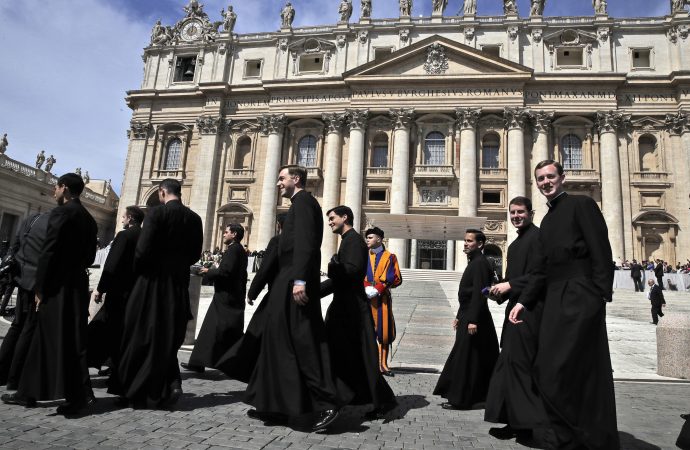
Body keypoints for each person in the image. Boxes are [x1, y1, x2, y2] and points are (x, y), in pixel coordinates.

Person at [509, 160, 619, 449]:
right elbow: (541, 268)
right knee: (548, 368)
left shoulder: (581, 205)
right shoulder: (546, 221)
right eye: (540, 179)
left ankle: (584, 436)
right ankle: (565, 433)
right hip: (554, 297)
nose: (545, 182)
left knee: (571, 367)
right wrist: (523, 301)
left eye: (550, 176)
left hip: (580, 294)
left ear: (562, 177)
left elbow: (600, 249)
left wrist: (600, 294)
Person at [243, 165, 344, 431]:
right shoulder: (296, 205)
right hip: (285, 282)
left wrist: (300, 279)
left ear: (295, 179)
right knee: (278, 342)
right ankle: (277, 404)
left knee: (303, 341)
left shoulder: (305, 203)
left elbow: (306, 244)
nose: (278, 183)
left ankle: (328, 402)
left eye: (281, 178)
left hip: (294, 282)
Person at [2, 173, 97, 415]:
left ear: (64, 188)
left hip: (56, 285)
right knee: (72, 339)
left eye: (56, 188)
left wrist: (40, 288)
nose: (54, 192)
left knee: (43, 338)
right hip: (77, 283)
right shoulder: (88, 218)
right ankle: (77, 393)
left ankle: (29, 393)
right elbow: (90, 257)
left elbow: (48, 253)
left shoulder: (60, 213)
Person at [116, 179, 202, 408]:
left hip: (152, 283)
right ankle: (166, 386)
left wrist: (142, 271)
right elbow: (195, 253)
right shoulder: (195, 219)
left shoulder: (156, 214)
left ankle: (138, 390)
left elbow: (142, 251)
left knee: (140, 334)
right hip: (178, 285)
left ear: (162, 192)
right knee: (168, 337)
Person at [320, 206, 397, 419]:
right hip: (347, 306)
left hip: (350, 309)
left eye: (332, 218)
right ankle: (373, 399)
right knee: (354, 356)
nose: (330, 223)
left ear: (345, 217)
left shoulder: (353, 241)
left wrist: (333, 266)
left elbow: (351, 271)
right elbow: (342, 277)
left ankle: (364, 398)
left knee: (346, 354)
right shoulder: (349, 240)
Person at [484, 197, 547, 442]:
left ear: (530, 213)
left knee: (521, 368)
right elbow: (512, 279)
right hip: (515, 309)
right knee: (508, 368)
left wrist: (512, 287)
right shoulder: (514, 244)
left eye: (520, 212)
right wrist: (497, 293)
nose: (516, 216)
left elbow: (540, 275)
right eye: (512, 212)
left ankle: (527, 427)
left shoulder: (538, 238)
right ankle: (512, 421)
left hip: (530, 310)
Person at [215, 214, 285, 382]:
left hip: (276, 294)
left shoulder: (277, 241)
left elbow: (265, 269)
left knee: (255, 333)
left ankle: (241, 368)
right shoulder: (304, 242)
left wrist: (253, 292)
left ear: (279, 225)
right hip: (295, 296)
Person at [434, 229, 499, 410]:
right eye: (465, 240)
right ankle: (473, 395)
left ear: (480, 244)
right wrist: (459, 316)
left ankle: (461, 398)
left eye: (469, 241)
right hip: (468, 314)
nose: (465, 244)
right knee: (470, 357)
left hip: (475, 317)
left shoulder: (480, 263)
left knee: (466, 357)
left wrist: (473, 320)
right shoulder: (475, 261)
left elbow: (479, 294)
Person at [87, 206, 143, 385]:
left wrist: (101, 288)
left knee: (105, 328)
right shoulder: (145, 236)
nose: (121, 220)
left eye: (124, 217)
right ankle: (114, 363)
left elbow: (111, 264)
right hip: (136, 292)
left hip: (118, 291)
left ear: (131, 219)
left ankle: (90, 360)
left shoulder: (124, 236)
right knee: (124, 330)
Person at [182, 223, 248, 373]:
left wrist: (208, 271)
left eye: (226, 232)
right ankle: (201, 362)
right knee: (215, 331)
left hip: (226, 298)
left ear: (234, 234)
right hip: (229, 297)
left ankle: (226, 362)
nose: (223, 234)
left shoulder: (233, 250)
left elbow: (226, 272)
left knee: (216, 331)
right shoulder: (238, 250)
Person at [0, 213, 49, 389]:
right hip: (36, 282)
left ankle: (2, 372)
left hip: (21, 278)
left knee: (17, 326)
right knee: (28, 329)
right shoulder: (52, 222)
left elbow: (16, 245)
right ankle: (14, 378)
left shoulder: (32, 219)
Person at [363, 227, 402, 377]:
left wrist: (379, 288)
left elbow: (396, 277)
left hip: (382, 299)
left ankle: (383, 364)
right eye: (367, 237)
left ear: (379, 239)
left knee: (384, 331)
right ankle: (368, 363)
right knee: (366, 330)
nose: (367, 239)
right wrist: (366, 287)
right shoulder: (364, 255)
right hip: (365, 297)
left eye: (370, 237)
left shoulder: (390, 257)